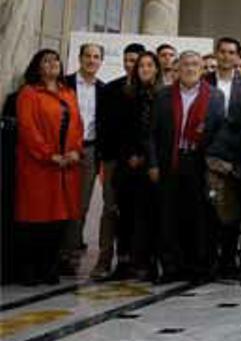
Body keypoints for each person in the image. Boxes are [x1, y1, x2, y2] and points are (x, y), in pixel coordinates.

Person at [147, 51, 225, 282]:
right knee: (169, 217)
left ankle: (198, 267)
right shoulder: (163, 96)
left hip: (200, 163)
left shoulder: (215, 96)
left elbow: (220, 130)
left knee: (199, 217)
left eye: (195, 64)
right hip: (170, 161)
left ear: (202, 70)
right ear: (177, 69)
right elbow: (150, 133)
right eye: (185, 64)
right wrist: (152, 163)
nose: (190, 68)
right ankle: (171, 267)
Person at [14, 50, 84, 285]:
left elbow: (78, 126)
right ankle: (30, 270)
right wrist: (49, 155)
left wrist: (75, 150)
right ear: (37, 67)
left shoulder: (68, 92)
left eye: (56, 60)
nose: (53, 64)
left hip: (66, 167)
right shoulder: (29, 93)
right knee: (36, 221)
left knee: (59, 221)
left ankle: (50, 268)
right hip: (39, 167)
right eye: (47, 61)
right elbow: (28, 129)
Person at [90, 42, 144, 279]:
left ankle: (133, 259)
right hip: (114, 160)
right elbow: (103, 125)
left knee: (137, 211)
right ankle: (104, 258)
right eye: (128, 60)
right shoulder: (110, 89)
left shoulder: (151, 91)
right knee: (111, 209)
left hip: (140, 162)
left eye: (136, 61)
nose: (130, 65)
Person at [110, 52, 163, 281]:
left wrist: (145, 157)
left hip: (151, 164)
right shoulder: (124, 95)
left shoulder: (163, 96)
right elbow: (118, 130)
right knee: (125, 215)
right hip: (126, 164)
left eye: (150, 65)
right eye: (141, 65)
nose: (144, 69)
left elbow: (160, 132)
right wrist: (130, 155)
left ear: (157, 69)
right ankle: (123, 262)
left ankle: (148, 261)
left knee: (149, 215)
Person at [205, 37, 241, 280]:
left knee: (232, 213)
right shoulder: (203, 83)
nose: (226, 57)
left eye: (231, 52)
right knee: (209, 212)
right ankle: (208, 261)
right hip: (208, 154)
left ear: (237, 57)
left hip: (236, 158)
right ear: (216, 54)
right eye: (222, 52)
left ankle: (229, 262)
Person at [62, 43, 104, 273]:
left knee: (82, 204)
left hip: (90, 149)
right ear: (79, 58)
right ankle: (57, 251)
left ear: (100, 62)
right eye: (87, 55)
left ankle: (70, 253)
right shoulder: (64, 84)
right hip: (64, 149)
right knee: (60, 202)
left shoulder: (103, 89)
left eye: (96, 57)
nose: (91, 60)